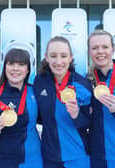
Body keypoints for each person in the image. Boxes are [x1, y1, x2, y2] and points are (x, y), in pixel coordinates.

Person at [0, 48, 43, 168]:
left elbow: (47, 120)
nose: (15, 68)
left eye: (21, 64)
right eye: (11, 64)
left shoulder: (35, 92)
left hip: (35, 161)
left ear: (28, 69)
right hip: (3, 163)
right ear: (5, 67)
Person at [33, 36, 92, 168]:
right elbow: (40, 117)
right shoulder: (40, 81)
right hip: (50, 158)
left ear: (70, 57)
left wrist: (77, 115)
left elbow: (88, 123)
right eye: (53, 56)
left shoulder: (82, 84)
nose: (58, 61)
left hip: (78, 156)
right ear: (46, 57)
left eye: (63, 56)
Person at [87, 30, 115, 168]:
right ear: (89, 52)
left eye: (105, 47)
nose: (100, 51)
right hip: (96, 158)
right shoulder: (85, 81)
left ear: (113, 49)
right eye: (95, 48)